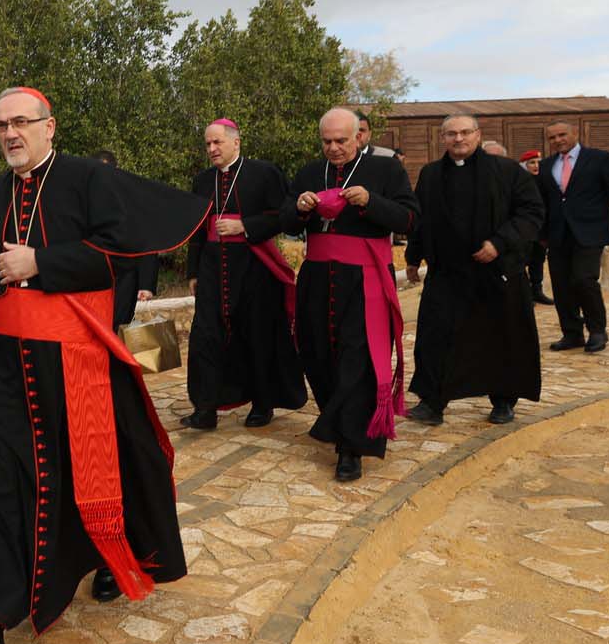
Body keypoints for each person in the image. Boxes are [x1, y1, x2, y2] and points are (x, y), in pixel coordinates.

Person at [0, 87, 207, 644]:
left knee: (100, 468)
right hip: (4, 364)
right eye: (1, 124)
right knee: (3, 486)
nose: (10, 133)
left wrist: (42, 263)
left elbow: (120, 257)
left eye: (22, 122)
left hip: (78, 359)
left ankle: (106, 554)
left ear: (49, 127)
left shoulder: (87, 180)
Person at [284, 108, 419, 482]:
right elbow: (285, 219)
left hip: (365, 282)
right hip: (316, 278)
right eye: (326, 141)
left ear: (359, 136)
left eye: (341, 141)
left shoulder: (386, 170)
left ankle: (351, 447)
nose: (333, 148)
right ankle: (337, 421)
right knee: (315, 353)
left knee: (357, 361)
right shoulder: (310, 172)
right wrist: (299, 208)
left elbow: (410, 219)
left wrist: (370, 201)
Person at [404, 116, 544, 426]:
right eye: (451, 134)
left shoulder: (506, 172)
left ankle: (503, 401)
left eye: (465, 132)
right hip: (447, 274)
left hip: (495, 273)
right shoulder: (430, 174)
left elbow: (532, 213)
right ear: (442, 138)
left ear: (478, 135)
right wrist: (413, 257)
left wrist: (499, 243)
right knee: (436, 337)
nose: (458, 139)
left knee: (500, 337)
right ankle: (432, 402)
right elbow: (421, 218)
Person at [181, 120, 304, 431]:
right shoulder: (202, 180)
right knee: (205, 338)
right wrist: (193, 271)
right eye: (208, 144)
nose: (212, 149)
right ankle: (205, 408)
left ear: (236, 142)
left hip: (254, 266)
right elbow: (196, 228)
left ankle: (262, 404)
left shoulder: (264, 173)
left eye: (217, 143)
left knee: (257, 336)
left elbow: (284, 216)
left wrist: (244, 226)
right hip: (212, 268)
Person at [537, 121, 609, 354]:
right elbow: (543, 202)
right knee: (561, 285)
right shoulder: (545, 166)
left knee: (584, 280)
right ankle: (572, 334)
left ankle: (597, 330)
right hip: (557, 235)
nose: (557, 140)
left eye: (562, 135)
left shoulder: (599, 159)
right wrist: (542, 234)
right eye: (552, 137)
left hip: (590, 232)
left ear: (574, 134)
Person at [92, 151, 158, 327]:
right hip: (95, 279)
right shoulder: (85, 200)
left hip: (125, 278)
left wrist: (146, 284)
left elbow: (146, 240)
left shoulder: (132, 198)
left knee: (118, 326)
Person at [517, 151, 554, 304]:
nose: (536, 165)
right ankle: (524, 295)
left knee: (538, 261)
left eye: (539, 162)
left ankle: (536, 291)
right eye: (532, 162)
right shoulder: (518, 181)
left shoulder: (546, 181)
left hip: (541, 230)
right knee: (521, 262)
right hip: (523, 229)